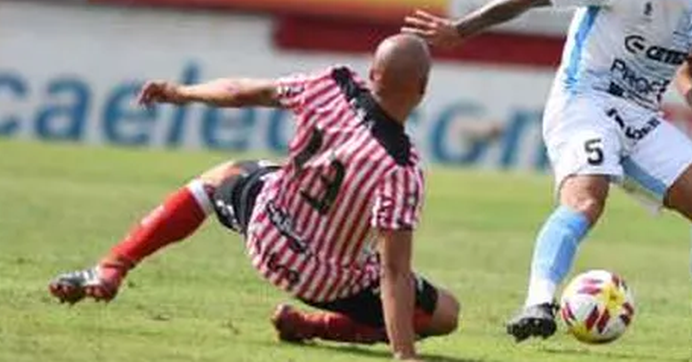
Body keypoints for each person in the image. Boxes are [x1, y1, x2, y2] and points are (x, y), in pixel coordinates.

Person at [403, 0, 692, 360]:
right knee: (588, 198)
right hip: (582, 101)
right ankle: (538, 304)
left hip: (640, 115)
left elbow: (679, 54)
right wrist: (462, 29)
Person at [47, 34, 458, 361]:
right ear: (422, 88)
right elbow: (394, 272)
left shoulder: (333, 85)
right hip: (327, 282)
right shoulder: (402, 169)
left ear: (373, 72)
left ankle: (113, 266)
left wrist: (180, 92)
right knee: (444, 314)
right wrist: (404, 354)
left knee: (220, 178)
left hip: (265, 229)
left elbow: (243, 92)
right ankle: (319, 325)